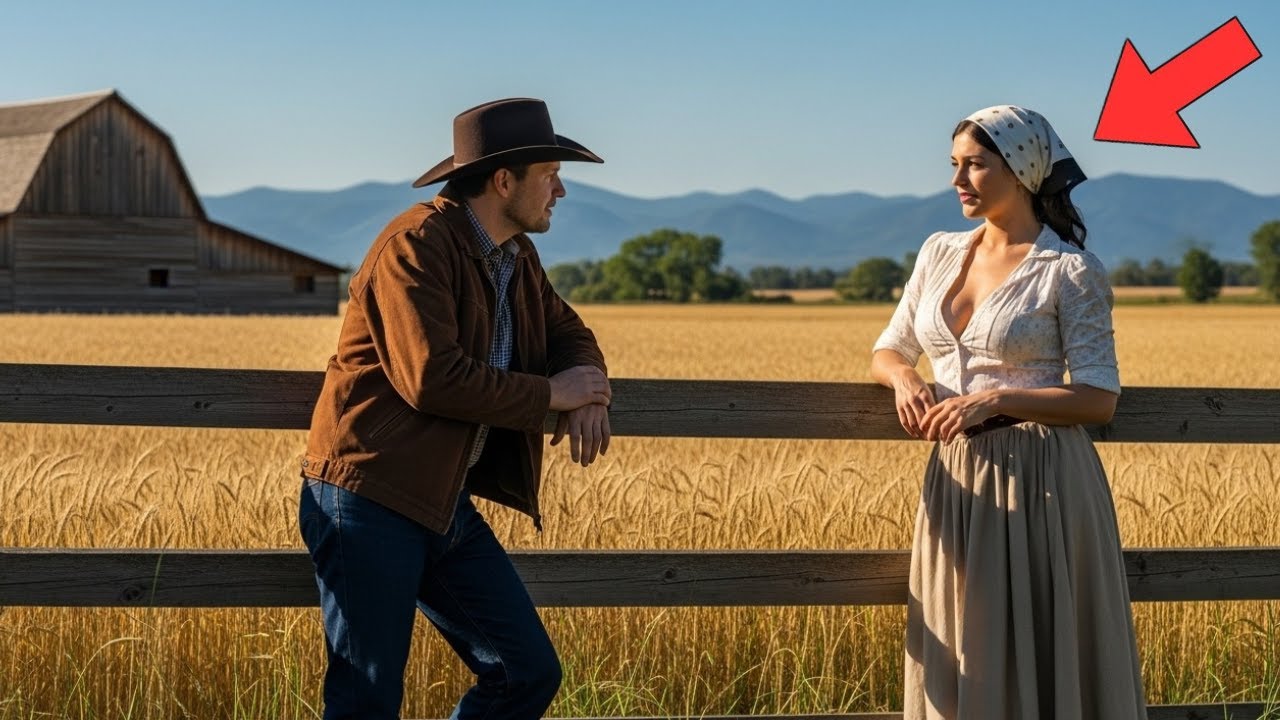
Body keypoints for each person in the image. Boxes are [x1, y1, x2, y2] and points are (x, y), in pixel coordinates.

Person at [298, 97, 612, 720]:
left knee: (525, 672)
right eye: (550, 173)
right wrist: (553, 395)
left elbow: (566, 330)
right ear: (503, 181)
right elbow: (431, 380)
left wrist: (590, 381)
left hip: (442, 501)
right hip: (370, 493)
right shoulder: (415, 246)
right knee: (367, 699)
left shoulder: (516, 257)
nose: (561, 190)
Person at [871, 105, 1146, 719]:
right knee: (962, 642)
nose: (958, 179)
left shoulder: (1069, 270)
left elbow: (1099, 397)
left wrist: (994, 399)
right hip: (956, 479)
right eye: (954, 165)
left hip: (1042, 481)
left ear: (1021, 169)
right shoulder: (938, 252)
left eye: (975, 164)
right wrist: (903, 381)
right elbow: (890, 348)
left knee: (1043, 646)